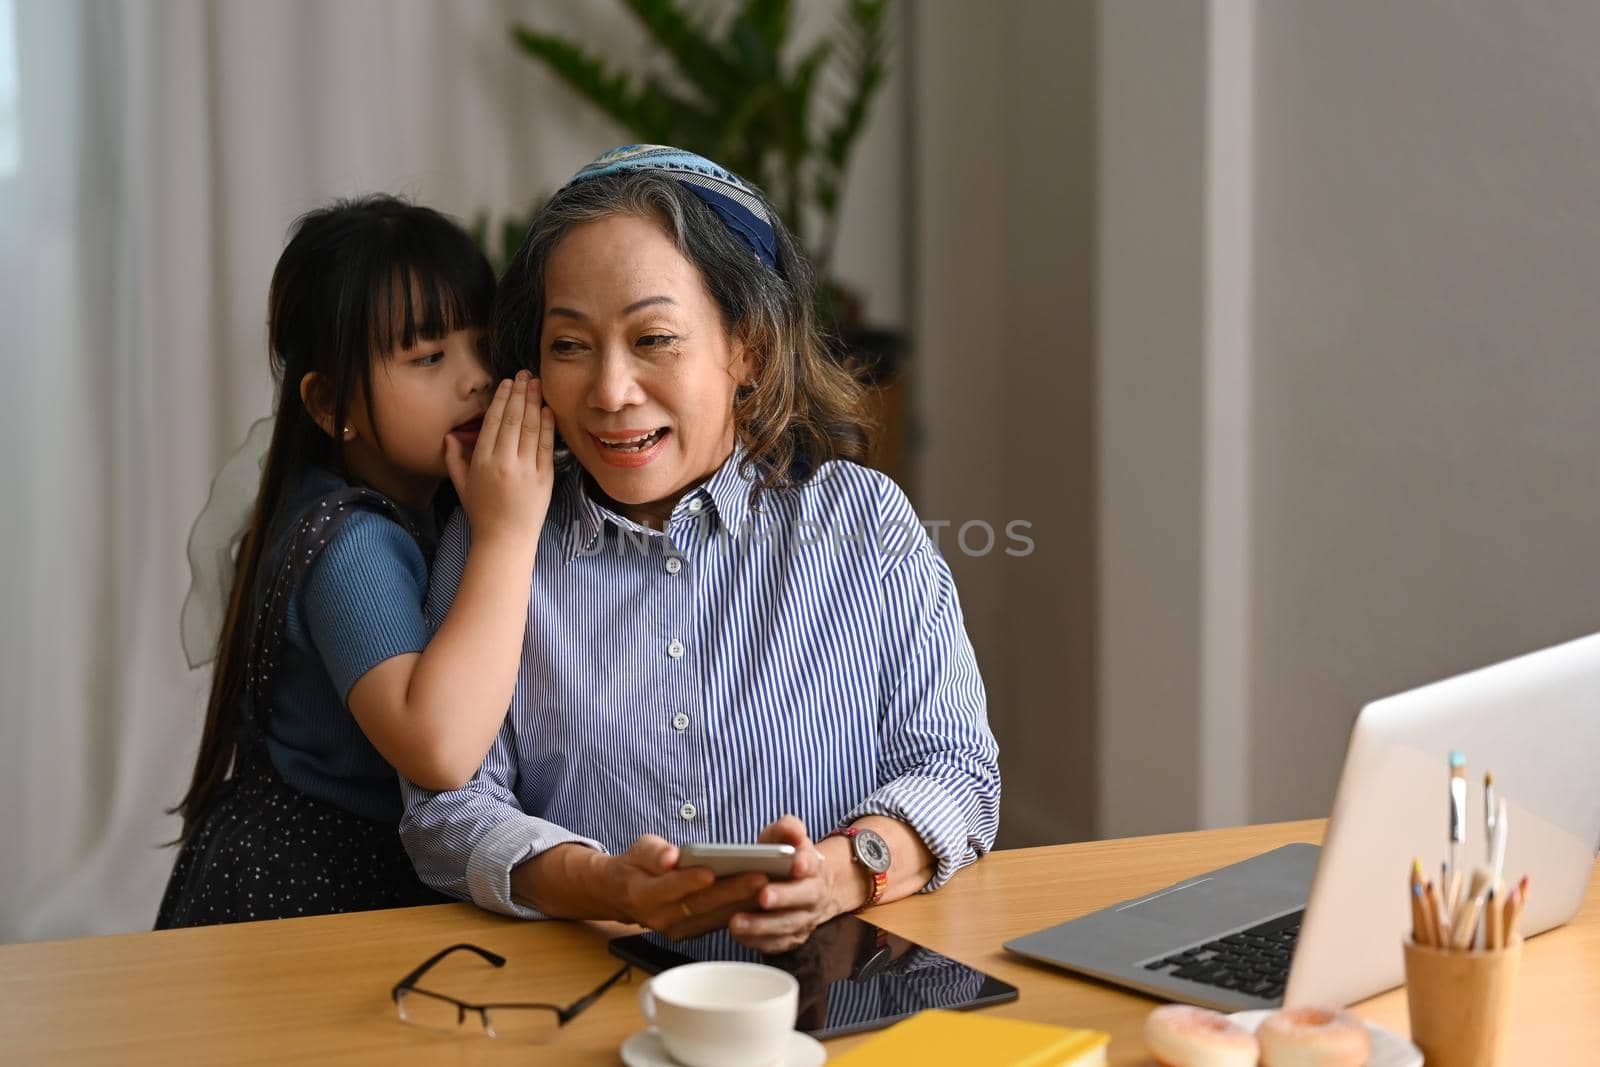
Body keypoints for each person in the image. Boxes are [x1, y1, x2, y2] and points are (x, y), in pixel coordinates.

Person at [401, 145, 1000, 954]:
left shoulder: (866, 524)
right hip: (587, 994)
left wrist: (841, 870)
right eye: (570, 345)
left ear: (747, 347)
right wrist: (600, 883)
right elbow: (446, 811)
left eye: (654, 338)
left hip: (830, 997)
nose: (610, 391)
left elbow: (960, 769)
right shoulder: (497, 535)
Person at [158, 196, 556, 927]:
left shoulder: (417, 504)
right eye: (428, 357)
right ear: (331, 401)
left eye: (481, 344)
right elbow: (438, 749)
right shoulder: (352, 545)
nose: (473, 377)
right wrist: (507, 532)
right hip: (304, 899)